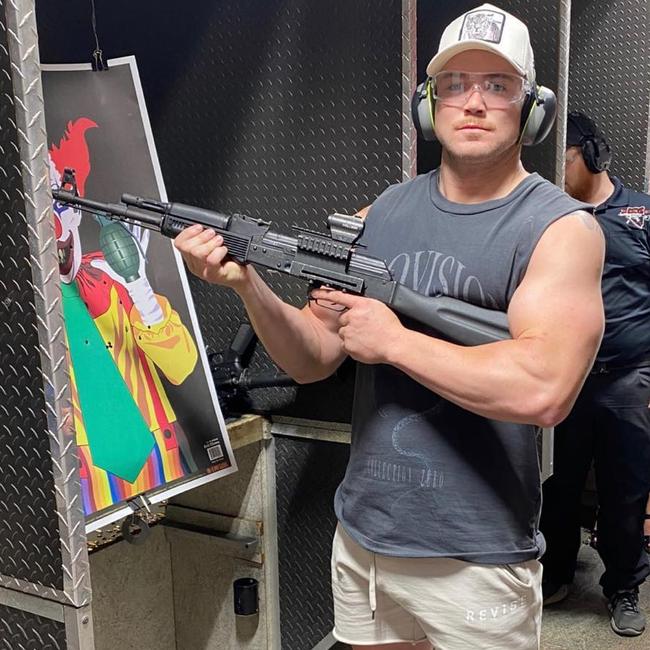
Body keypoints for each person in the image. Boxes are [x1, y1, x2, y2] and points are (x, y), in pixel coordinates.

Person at [176, 5, 604, 648]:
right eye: (455, 85)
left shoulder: (560, 229)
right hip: (366, 537)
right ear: (429, 104)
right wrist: (248, 286)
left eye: (498, 86)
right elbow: (313, 356)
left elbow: (543, 390)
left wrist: (397, 341)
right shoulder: (382, 212)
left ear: (532, 108)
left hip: (477, 552)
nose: (475, 103)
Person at [50, 117, 200, 515]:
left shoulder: (115, 273)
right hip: (81, 474)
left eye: (60, 204)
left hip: (158, 456)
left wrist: (139, 286)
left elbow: (181, 364)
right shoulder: (20, 305)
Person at [539, 111, 650, 637]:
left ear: (593, 155)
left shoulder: (641, 215)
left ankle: (623, 586)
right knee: (557, 485)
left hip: (628, 378)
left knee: (625, 488)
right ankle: (556, 572)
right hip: (567, 377)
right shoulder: (551, 218)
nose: (555, 171)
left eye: (562, 159)